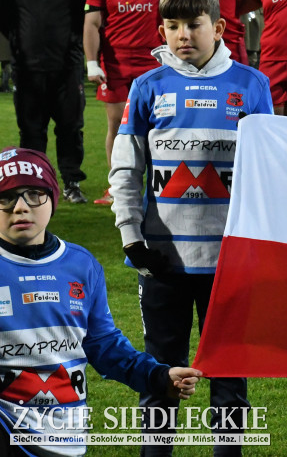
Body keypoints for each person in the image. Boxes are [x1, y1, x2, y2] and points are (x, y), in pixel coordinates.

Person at [108, 0, 272, 453]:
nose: (183, 35)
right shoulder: (147, 87)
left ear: (218, 27)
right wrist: (131, 238)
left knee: (228, 378)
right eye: (173, 26)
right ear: (161, 31)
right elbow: (125, 168)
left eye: (194, 24)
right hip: (164, 261)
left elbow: (269, 170)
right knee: (161, 375)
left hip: (232, 262)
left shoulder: (251, 85)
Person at [0, 147, 201, 455]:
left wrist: (159, 376)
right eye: (6, 197)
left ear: (52, 198)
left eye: (34, 194)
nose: (21, 207)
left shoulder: (81, 265)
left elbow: (104, 346)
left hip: (65, 437)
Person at [0, 0, 90, 203]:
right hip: (28, 70)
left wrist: (74, 51)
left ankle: (71, 183)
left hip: (66, 69)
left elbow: (83, 20)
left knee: (70, 128)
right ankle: (35, 184)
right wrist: (17, 49)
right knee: (31, 131)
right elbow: (6, 20)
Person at [84, 0, 167, 204]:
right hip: (116, 65)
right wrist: (92, 62)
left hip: (153, 65)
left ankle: (159, 187)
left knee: (159, 129)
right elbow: (92, 24)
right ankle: (117, 189)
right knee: (118, 128)